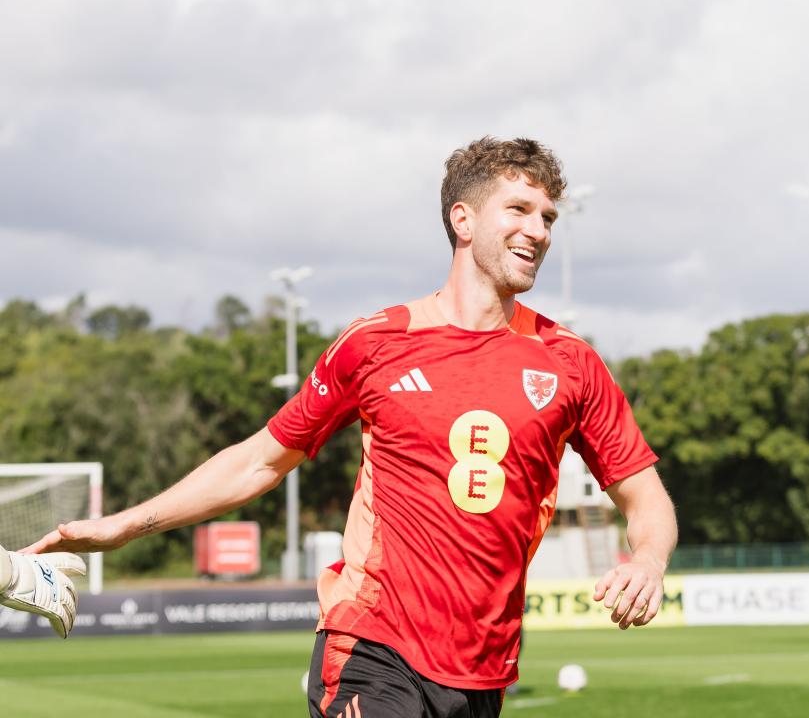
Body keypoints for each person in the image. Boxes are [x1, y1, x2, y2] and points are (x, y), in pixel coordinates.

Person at [25, 136, 678, 718]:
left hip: (484, 672)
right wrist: (126, 524)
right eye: (519, 210)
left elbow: (645, 497)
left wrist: (648, 560)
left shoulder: (571, 363)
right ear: (462, 219)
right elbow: (261, 460)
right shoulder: (376, 344)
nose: (538, 231)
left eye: (548, 218)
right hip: (372, 643)